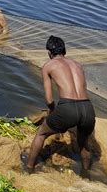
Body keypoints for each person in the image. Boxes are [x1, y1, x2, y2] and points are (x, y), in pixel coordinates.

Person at [25, 35, 95, 174]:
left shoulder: (48, 66)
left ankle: (28, 169)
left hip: (68, 108)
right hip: (87, 108)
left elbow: (49, 100)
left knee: (41, 134)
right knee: (83, 143)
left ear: (50, 53)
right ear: (65, 51)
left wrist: (52, 111)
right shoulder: (77, 65)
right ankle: (86, 175)